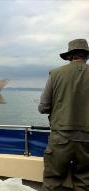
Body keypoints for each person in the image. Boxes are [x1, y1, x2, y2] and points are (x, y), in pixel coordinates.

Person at [38, 39, 89, 191]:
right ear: (86, 56)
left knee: (52, 181)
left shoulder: (55, 74)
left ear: (69, 56)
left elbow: (43, 107)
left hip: (60, 138)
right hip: (87, 140)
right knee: (85, 183)